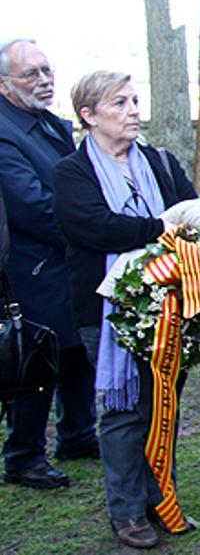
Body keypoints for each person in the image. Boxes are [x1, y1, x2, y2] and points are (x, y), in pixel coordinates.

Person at [53, 71, 198, 549]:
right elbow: (94, 228)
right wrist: (159, 227)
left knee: (164, 406)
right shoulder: (71, 173)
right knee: (124, 410)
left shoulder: (159, 162)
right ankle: (128, 511)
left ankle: (163, 500)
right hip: (106, 313)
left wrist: (167, 227)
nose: (134, 110)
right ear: (89, 116)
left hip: (171, 304)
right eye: (119, 103)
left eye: (135, 100)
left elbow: (191, 216)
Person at [0, 39, 98, 490]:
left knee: (76, 348)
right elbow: (31, 205)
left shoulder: (53, 125)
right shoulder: (5, 132)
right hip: (32, 266)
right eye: (30, 74)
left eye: (46, 70)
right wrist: (86, 232)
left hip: (68, 258)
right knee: (37, 357)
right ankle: (23, 456)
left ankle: (77, 434)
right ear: (4, 86)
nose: (43, 80)